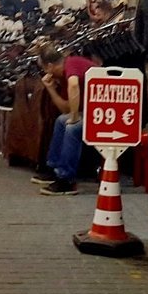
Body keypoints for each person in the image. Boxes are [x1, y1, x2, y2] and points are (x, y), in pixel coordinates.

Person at [32, 47, 100, 196]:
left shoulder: (71, 64)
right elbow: (65, 109)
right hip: (94, 112)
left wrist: (75, 116)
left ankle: (66, 179)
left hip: (104, 112)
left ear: (49, 66)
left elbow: (74, 84)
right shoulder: (64, 76)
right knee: (61, 120)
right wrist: (50, 88)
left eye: (44, 69)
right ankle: (54, 168)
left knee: (72, 128)